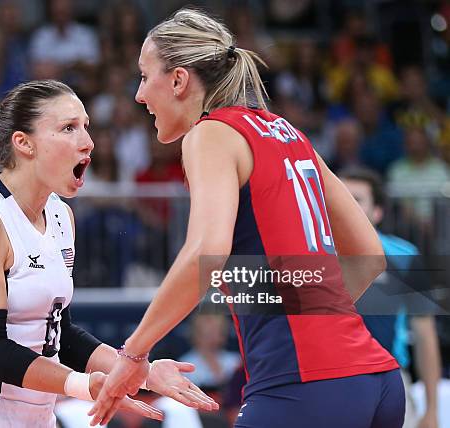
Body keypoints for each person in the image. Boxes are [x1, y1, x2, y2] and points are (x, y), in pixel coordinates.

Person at [91, 9, 405, 428]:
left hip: (305, 384)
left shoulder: (211, 133)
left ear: (179, 80)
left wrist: (133, 354)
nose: (139, 95)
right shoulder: (285, 130)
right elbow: (369, 254)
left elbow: (207, 251)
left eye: (145, 77)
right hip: (377, 381)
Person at [0, 80, 217, 427]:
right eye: (68, 128)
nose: (88, 142)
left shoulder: (61, 215)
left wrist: (144, 374)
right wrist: (83, 385)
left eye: (86, 127)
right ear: (24, 143)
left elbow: (60, 330)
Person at [340, 167, 441, 428]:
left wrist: (431, 410)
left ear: (378, 212)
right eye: (340, 197)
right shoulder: (310, 257)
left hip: (390, 381)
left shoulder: (405, 256)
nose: (346, 206)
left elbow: (425, 334)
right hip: (329, 380)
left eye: (357, 199)